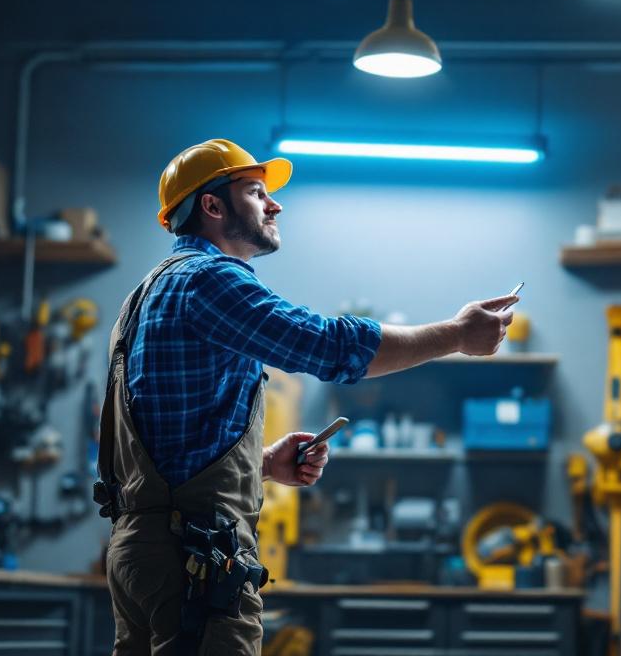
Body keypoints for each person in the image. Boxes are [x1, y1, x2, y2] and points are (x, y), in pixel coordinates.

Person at [96, 139, 519, 655]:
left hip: (141, 548)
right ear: (211, 206)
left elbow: (170, 437)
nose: (274, 204)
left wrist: (264, 464)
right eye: (255, 192)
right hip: (193, 553)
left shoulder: (146, 292)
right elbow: (331, 347)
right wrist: (456, 335)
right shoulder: (208, 281)